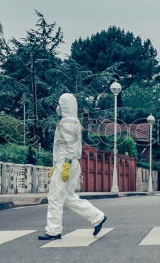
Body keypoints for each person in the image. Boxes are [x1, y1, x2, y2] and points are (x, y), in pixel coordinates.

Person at [37, 93, 108, 241]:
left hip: (66, 163)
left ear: (64, 106)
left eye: (60, 104)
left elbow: (69, 147)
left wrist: (64, 165)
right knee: (69, 197)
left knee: (55, 197)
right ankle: (97, 216)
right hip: (70, 163)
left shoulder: (66, 123)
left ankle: (53, 231)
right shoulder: (74, 121)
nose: (58, 107)